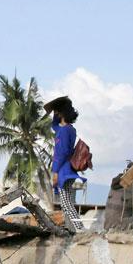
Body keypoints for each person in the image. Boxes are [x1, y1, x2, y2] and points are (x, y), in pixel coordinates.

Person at [47, 96, 85, 230]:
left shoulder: (64, 131)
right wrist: (54, 112)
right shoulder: (69, 129)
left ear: (61, 113)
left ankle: (79, 228)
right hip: (68, 169)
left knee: (66, 203)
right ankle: (77, 227)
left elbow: (61, 153)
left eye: (57, 112)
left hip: (63, 170)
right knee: (67, 201)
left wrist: (55, 172)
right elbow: (54, 125)